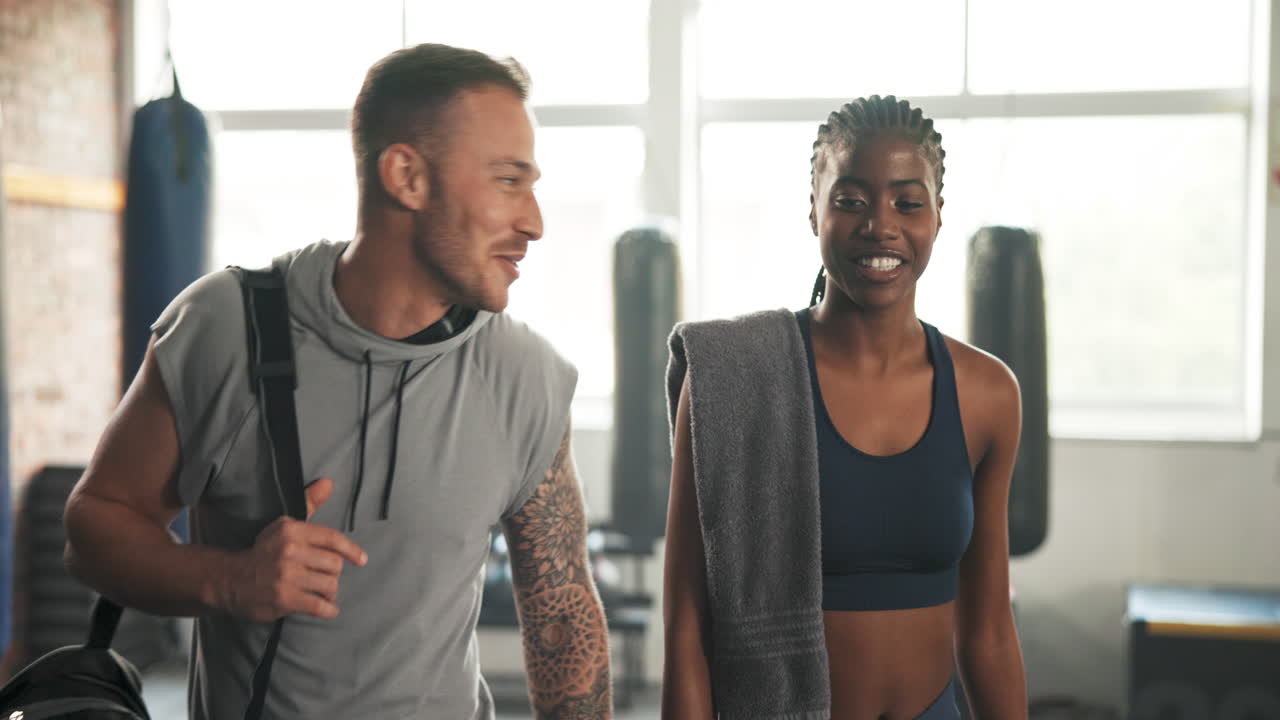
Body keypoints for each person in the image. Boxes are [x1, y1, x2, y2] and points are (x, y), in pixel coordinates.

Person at [63, 43, 612, 719]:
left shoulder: (526, 376)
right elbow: (93, 529)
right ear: (406, 176)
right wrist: (230, 580)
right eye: (508, 180)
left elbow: (562, 618)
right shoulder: (223, 328)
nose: (534, 221)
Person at [661, 95, 1027, 719]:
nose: (880, 226)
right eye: (850, 201)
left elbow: (988, 633)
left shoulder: (988, 394)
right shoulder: (733, 379)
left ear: (938, 216)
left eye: (908, 202)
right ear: (814, 210)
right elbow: (687, 632)